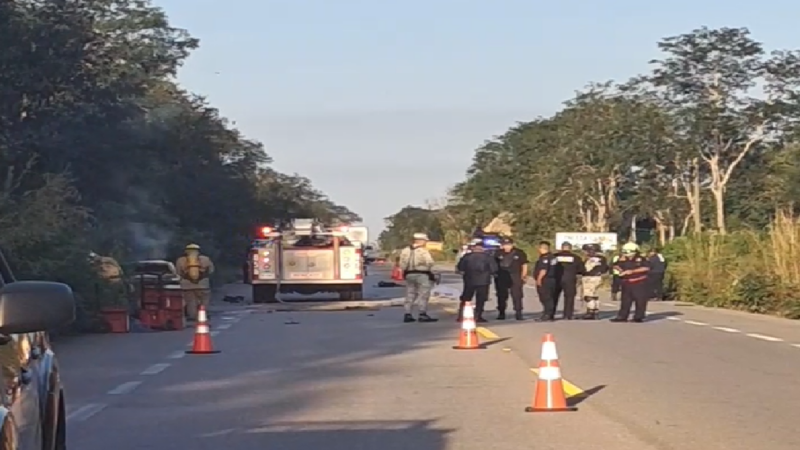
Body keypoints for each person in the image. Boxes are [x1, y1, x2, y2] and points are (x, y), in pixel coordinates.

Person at [398, 232, 438, 323]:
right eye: (425, 241)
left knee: (410, 294)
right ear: (420, 241)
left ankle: (407, 313)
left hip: (409, 274)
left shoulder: (405, 250)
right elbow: (430, 263)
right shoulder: (423, 251)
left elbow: (401, 263)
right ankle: (422, 314)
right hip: (422, 274)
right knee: (423, 294)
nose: (426, 242)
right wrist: (434, 274)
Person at [456, 239, 498, 322]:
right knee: (481, 299)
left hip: (469, 280)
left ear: (474, 247)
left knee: (466, 298)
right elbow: (494, 269)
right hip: (483, 281)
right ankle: (478, 316)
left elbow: (460, 268)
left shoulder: (467, 257)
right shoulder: (488, 257)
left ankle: (461, 316)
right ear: (482, 248)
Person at [611, 242, 651, 323]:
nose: (626, 254)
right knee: (625, 300)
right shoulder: (622, 258)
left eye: (628, 252)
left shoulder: (641, 259)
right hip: (626, 282)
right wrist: (620, 270)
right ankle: (622, 316)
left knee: (640, 300)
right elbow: (615, 265)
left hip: (639, 282)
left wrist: (632, 271)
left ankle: (638, 317)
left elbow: (646, 268)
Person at [175, 243, 215, 321]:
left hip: (187, 286)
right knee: (204, 301)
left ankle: (193, 317)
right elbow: (211, 271)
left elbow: (178, 273)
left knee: (191, 302)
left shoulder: (180, 260)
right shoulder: (206, 259)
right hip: (203, 285)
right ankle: (203, 315)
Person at [493, 237, 528, 320]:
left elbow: (524, 264)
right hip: (501, 276)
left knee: (517, 295)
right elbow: (493, 265)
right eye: (505, 245)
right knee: (501, 295)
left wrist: (524, 275)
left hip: (515, 275)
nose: (506, 247)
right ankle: (501, 313)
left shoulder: (519, 253)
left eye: (508, 245)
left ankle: (518, 312)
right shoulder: (498, 253)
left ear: (512, 244)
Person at [553, 242, 583, 320]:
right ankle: (568, 315)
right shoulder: (576, 257)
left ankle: (551, 314)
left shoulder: (555, 256)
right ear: (570, 248)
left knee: (554, 297)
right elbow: (581, 270)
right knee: (569, 297)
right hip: (570, 279)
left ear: (561, 248)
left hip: (556, 278)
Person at [580, 243, 609, 320]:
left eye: (586, 251)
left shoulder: (591, 259)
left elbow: (586, 269)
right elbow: (605, 268)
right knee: (595, 295)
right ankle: (596, 311)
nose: (585, 253)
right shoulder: (602, 258)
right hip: (598, 278)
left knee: (589, 296)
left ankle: (590, 312)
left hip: (590, 278)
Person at [533, 241, 558, 322]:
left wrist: (539, 279)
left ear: (542, 248)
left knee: (545, 298)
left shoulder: (545, 258)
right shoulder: (553, 257)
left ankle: (547, 314)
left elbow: (543, 270)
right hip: (552, 279)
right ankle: (549, 314)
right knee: (550, 297)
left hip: (545, 280)